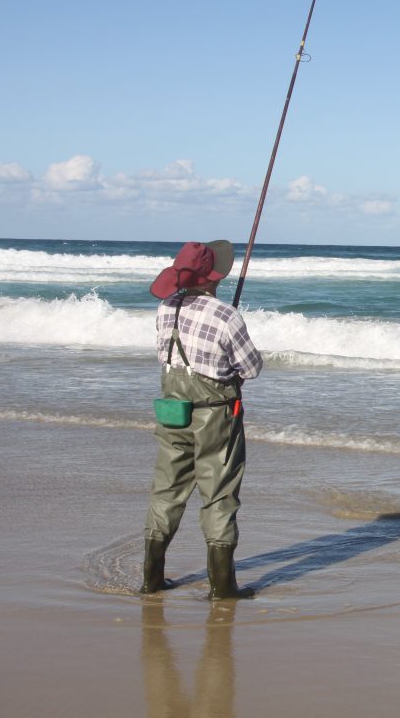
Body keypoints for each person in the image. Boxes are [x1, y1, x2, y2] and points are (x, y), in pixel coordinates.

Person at [140, 239, 264, 599]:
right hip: (216, 417)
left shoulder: (167, 308)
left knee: (167, 490)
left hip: (172, 412)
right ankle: (222, 587)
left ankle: (151, 579)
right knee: (219, 496)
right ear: (213, 277)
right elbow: (251, 369)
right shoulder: (226, 315)